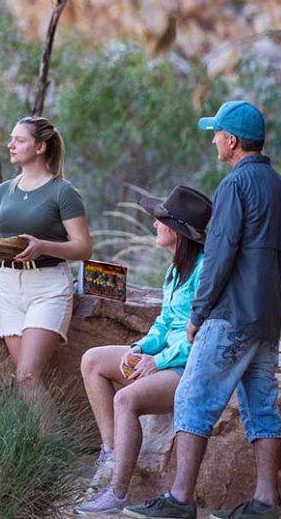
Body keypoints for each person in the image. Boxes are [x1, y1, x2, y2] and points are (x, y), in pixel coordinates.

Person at [125, 101, 281, 519]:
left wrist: (198, 315)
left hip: (230, 317)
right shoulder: (279, 187)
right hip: (266, 317)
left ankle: (181, 500)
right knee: (261, 406)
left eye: (217, 134)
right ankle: (264, 504)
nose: (214, 140)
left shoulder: (235, 187)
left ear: (233, 141)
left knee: (192, 397)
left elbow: (218, 256)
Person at [73, 185, 213, 515]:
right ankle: (110, 452)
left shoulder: (205, 270)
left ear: (178, 231)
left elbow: (199, 333)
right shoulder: (175, 269)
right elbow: (165, 322)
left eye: (161, 220)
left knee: (126, 399)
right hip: (165, 357)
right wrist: (140, 347)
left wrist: (158, 360)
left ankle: (118, 492)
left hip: (188, 366)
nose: (154, 225)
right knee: (92, 360)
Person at [0, 116, 92, 402]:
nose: (11, 145)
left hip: (47, 287)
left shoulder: (63, 192)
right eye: (11, 139)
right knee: (25, 381)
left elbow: (83, 248)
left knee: (28, 376)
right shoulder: (2, 191)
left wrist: (42, 246)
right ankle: (45, 445)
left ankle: (55, 445)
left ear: (40, 147)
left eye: (19, 140)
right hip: (9, 286)